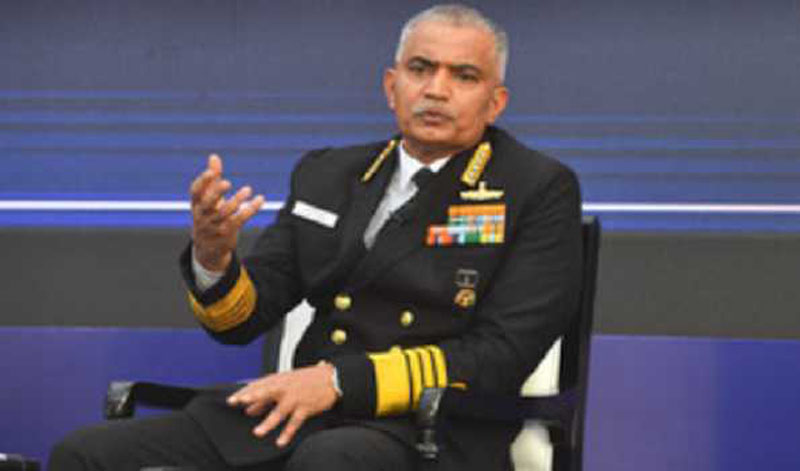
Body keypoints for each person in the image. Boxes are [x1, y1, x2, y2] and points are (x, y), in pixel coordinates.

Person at [49, 4, 582, 471]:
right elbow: (240, 321)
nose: (436, 89)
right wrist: (214, 257)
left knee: (329, 460)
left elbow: (502, 355)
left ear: (495, 102)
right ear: (391, 86)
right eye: (420, 69)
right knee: (86, 453)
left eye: (464, 76)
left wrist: (337, 382)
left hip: (431, 429)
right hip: (300, 416)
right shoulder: (328, 173)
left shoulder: (535, 187)